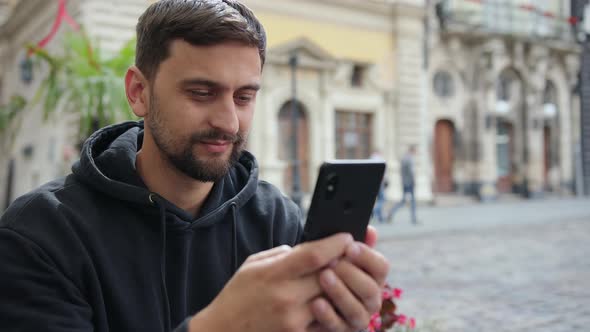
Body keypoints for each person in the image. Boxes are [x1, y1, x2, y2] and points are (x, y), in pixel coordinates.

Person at [0, 1, 389, 332]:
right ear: (139, 92)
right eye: (202, 93)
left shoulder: (275, 219)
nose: (229, 122)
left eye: (243, 97)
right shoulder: (40, 237)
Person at [387, 145, 418, 224]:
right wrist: (414, 181)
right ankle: (414, 218)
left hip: (404, 182)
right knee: (412, 201)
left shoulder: (404, 158)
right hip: (409, 183)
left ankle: (392, 211)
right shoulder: (409, 159)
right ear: (412, 151)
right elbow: (411, 172)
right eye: (415, 151)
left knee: (404, 201)